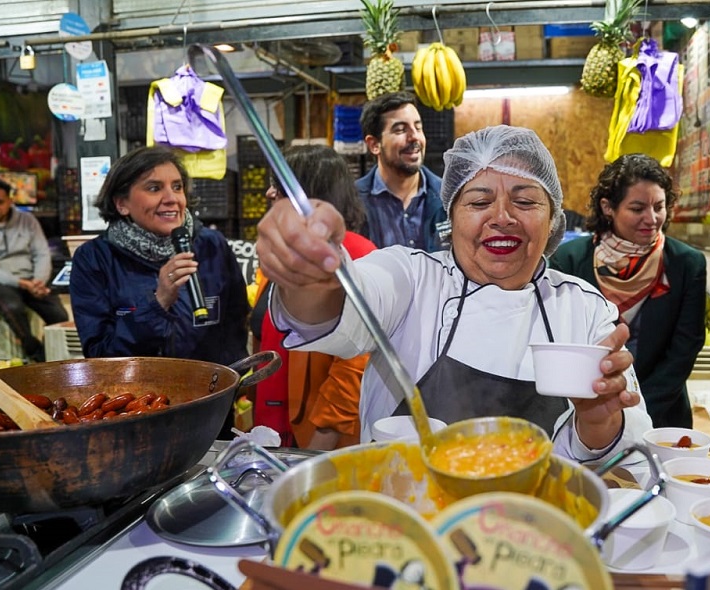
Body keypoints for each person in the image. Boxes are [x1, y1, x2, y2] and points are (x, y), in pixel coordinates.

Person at [257, 125, 651, 464]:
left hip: (530, 530)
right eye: (479, 201)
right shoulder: (413, 279)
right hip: (408, 523)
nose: (502, 217)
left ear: (553, 221)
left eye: (526, 201)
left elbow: (626, 458)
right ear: (451, 219)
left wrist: (597, 423)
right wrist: (310, 274)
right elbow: (337, 305)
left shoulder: (583, 309)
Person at [551, 154, 706, 429]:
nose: (652, 218)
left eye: (659, 207)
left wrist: (635, 408)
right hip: (586, 414)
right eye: (637, 209)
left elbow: (684, 348)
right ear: (608, 207)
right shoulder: (569, 261)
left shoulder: (686, 264)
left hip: (663, 418)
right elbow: (562, 341)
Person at [69, 146, 248, 367]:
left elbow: (235, 326)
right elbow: (100, 356)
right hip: (137, 397)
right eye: (154, 188)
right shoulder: (93, 259)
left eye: (177, 187)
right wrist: (158, 303)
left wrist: (231, 385)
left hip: (209, 393)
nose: (171, 198)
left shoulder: (212, 245)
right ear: (121, 203)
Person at [250, 144, 376, 450]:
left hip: (321, 444)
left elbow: (352, 369)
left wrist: (316, 446)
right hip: (276, 433)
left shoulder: (357, 257)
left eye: (278, 187)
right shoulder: (283, 258)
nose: (269, 194)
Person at [0, 179, 69, 362]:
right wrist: (21, 283)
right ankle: (34, 352)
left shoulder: (27, 221)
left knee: (58, 314)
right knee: (13, 308)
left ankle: (55, 354)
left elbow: (41, 253)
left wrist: (38, 281)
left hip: (32, 279)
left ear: (10, 201)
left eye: (0, 202)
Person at [355, 91, 447, 251]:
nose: (414, 137)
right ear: (374, 145)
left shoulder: (449, 197)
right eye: (400, 130)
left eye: (418, 128)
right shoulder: (353, 202)